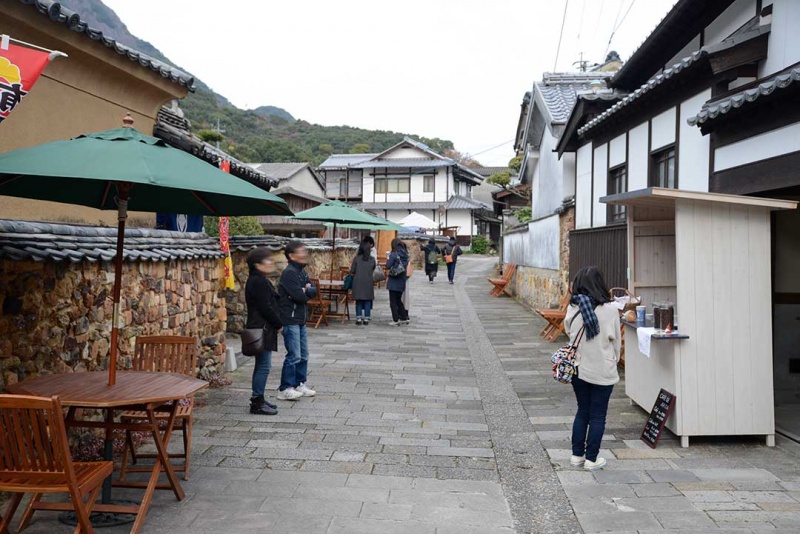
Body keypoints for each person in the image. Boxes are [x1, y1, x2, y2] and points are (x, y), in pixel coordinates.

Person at [564, 266, 621, 471]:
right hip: (602, 369)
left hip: (579, 368)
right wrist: (615, 360)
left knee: (583, 412)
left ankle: (576, 455)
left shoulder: (573, 307)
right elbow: (616, 341)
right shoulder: (611, 310)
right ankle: (592, 459)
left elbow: (568, 331)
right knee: (598, 415)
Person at [277, 241, 318, 401]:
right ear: (292, 255)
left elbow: (314, 291)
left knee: (304, 354)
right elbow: (299, 296)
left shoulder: (302, 272)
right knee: (294, 354)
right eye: (301, 251)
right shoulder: (289, 273)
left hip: (301, 318)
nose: (304, 254)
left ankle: (300, 383)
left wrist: (306, 289)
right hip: (290, 318)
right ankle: (285, 388)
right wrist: (305, 290)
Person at [244, 248, 283, 415]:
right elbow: (265, 307)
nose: (271, 263)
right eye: (267, 260)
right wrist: (279, 323)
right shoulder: (257, 281)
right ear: (257, 264)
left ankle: (258, 398)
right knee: (264, 366)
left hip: (262, 327)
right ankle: (257, 401)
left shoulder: (258, 280)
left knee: (261, 365)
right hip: (262, 327)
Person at [349, 241, 376, 325]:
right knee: (367, 300)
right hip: (368, 281)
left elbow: (352, 270)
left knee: (359, 300)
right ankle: (366, 318)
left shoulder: (357, 258)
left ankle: (359, 318)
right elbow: (373, 268)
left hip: (358, 282)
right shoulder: (372, 259)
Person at [385, 237, 410, 326]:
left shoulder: (394, 254)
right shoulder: (406, 254)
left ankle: (395, 320)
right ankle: (403, 317)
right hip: (402, 279)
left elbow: (388, 266)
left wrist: (388, 259)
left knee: (393, 301)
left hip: (393, 280)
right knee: (399, 300)